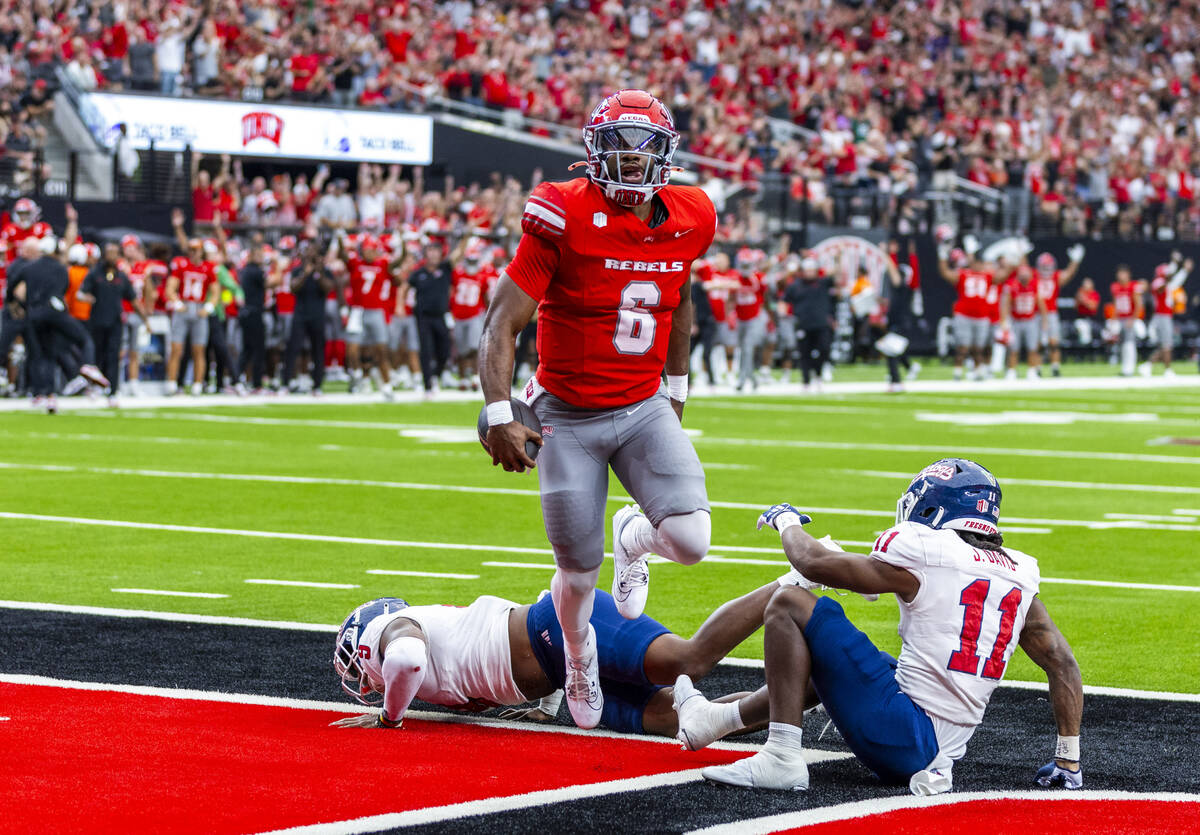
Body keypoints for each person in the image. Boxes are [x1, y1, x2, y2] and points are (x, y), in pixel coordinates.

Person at [478, 89, 716, 729]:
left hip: (641, 404)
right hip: (568, 414)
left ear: (665, 154)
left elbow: (681, 295)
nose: (633, 161)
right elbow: (502, 323)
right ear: (594, 150)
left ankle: (635, 540)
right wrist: (500, 411)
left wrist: (677, 385)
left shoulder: (692, 213)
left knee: (692, 540)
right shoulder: (560, 213)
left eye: (646, 148)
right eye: (620, 146)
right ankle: (580, 656)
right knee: (577, 575)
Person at [677, 459, 1084, 797]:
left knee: (789, 603)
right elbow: (1062, 664)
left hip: (906, 736)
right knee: (852, 660)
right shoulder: (1018, 576)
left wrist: (787, 522)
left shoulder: (929, 551)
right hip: (937, 746)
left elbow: (812, 564)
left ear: (931, 509)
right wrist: (1068, 759)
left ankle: (782, 757)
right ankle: (717, 719)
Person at [329, 569, 807, 736]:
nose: (360, 676)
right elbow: (485, 658)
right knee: (679, 720)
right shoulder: (415, 632)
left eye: (355, 662)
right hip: (562, 670)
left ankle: (795, 580)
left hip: (563, 628)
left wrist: (390, 719)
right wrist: (543, 704)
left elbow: (407, 659)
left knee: (689, 661)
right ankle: (814, 690)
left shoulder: (393, 630)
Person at [78, 242, 149, 406]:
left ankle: (112, 390)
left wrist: (145, 319)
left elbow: (133, 299)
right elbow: (81, 293)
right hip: (97, 320)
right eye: (110, 252)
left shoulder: (121, 276)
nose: (112, 256)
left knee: (114, 356)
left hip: (115, 321)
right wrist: (89, 299)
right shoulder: (95, 273)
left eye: (115, 253)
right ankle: (96, 387)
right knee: (98, 354)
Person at [165, 208, 220, 395]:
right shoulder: (182, 264)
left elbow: (215, 291)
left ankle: (197, 384)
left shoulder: (208, 268)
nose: (194, 253)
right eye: (192, 249)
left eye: (197, 250)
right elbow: (170, 288)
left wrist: (210, 306)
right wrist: (177, 302)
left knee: (199, 350)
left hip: (198, 309)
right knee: (176, 349)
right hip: (184, 307)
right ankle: (171, 383)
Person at [282, 239, 335, 395]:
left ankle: (317, 384)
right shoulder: (298, 271)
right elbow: (293, 287)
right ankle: (287, 381)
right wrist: (305, 273)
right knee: (293, 348)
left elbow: (328, 288)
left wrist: (318, 274)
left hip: (317, 315)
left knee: (318, 349)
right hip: (300, 314)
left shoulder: (324, 270)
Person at [938, 243, 994, 381]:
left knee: (979, 347)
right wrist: (942, 256)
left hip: (981, 316)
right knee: (962, 346)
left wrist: (1014, 258)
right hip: (964, 315)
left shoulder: (987, 276)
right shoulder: (963, 274)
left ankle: (977, 371)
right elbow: (945, 273)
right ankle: (957, 372)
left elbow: (1004, 275)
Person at [406, 241, 453, 397]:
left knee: (445, 350)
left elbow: (458, 255)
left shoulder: (445, 269)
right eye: (430, 251)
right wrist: (401, 304)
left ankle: (435, 375)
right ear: (425, 254)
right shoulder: (418, 273)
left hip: (441, 316)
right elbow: (404, 287)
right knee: (426, 350)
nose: (433, 254)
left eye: (436, 250)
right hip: (423, 316)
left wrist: (466, 235)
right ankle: (427, 386)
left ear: (441, 254)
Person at [784, 256, 835, 392]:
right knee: (804, 354)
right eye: (807, 270)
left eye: (812, 270)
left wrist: (838, 258)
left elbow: (837, 274)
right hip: (803, 324)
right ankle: (806, 381)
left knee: (824, 349)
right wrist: (784, 316)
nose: (810, 273)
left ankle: (817, 374)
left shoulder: (822, 283)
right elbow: (784, 301)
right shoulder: (795, 285)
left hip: (821, 324)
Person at [1033, 245, 1084, 377]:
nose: (1045, 269)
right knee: (1038, 343)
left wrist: (1075, 261)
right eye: (1043, 266)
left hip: (1051, 313)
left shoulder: (1055, 277)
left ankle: (1055, 367)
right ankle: (1037, 368)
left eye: (1047, 266)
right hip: (1036, 313)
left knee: (1054, 342)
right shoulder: (1034, 276)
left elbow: (1069, 274)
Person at [1141, 253, 1192, 378]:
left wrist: (1184, 270)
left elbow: (1176, 281)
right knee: (1167, 345)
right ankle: (1167, 370)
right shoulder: (1157, 282)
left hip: (1166, 316)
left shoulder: (1166, 282)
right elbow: (1162, 288)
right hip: (1160, 316)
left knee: (1165, 346)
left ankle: (1147, 365)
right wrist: (1175, 264)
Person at [1000, 264, 1047, 380]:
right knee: (1014, 348)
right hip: (1016, 320)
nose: (1025, 278)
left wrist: (1044, 322)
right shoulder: (1013, 286)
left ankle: (1032, 371)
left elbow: (1041, 304)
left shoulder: (1034, 285)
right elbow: (1006, 304)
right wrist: (1004, 321)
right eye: (1023, 275)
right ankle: (1011, 371)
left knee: (1032, 347)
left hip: (1030, 320)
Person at [1109, 265, 1143, 377]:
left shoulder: (1133, 286)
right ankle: (1124, 368)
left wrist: (1133, 319)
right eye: (1119, 273)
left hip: (1129, 318)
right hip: (1120, 318)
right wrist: (1113, 320)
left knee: (1129, 344)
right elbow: (1115, 305)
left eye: (1123, 273)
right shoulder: (1115, 287)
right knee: (1122, 344)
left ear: (1128, 274)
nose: (1121, 276)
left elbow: (1138, 304)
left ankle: (1130, 369)